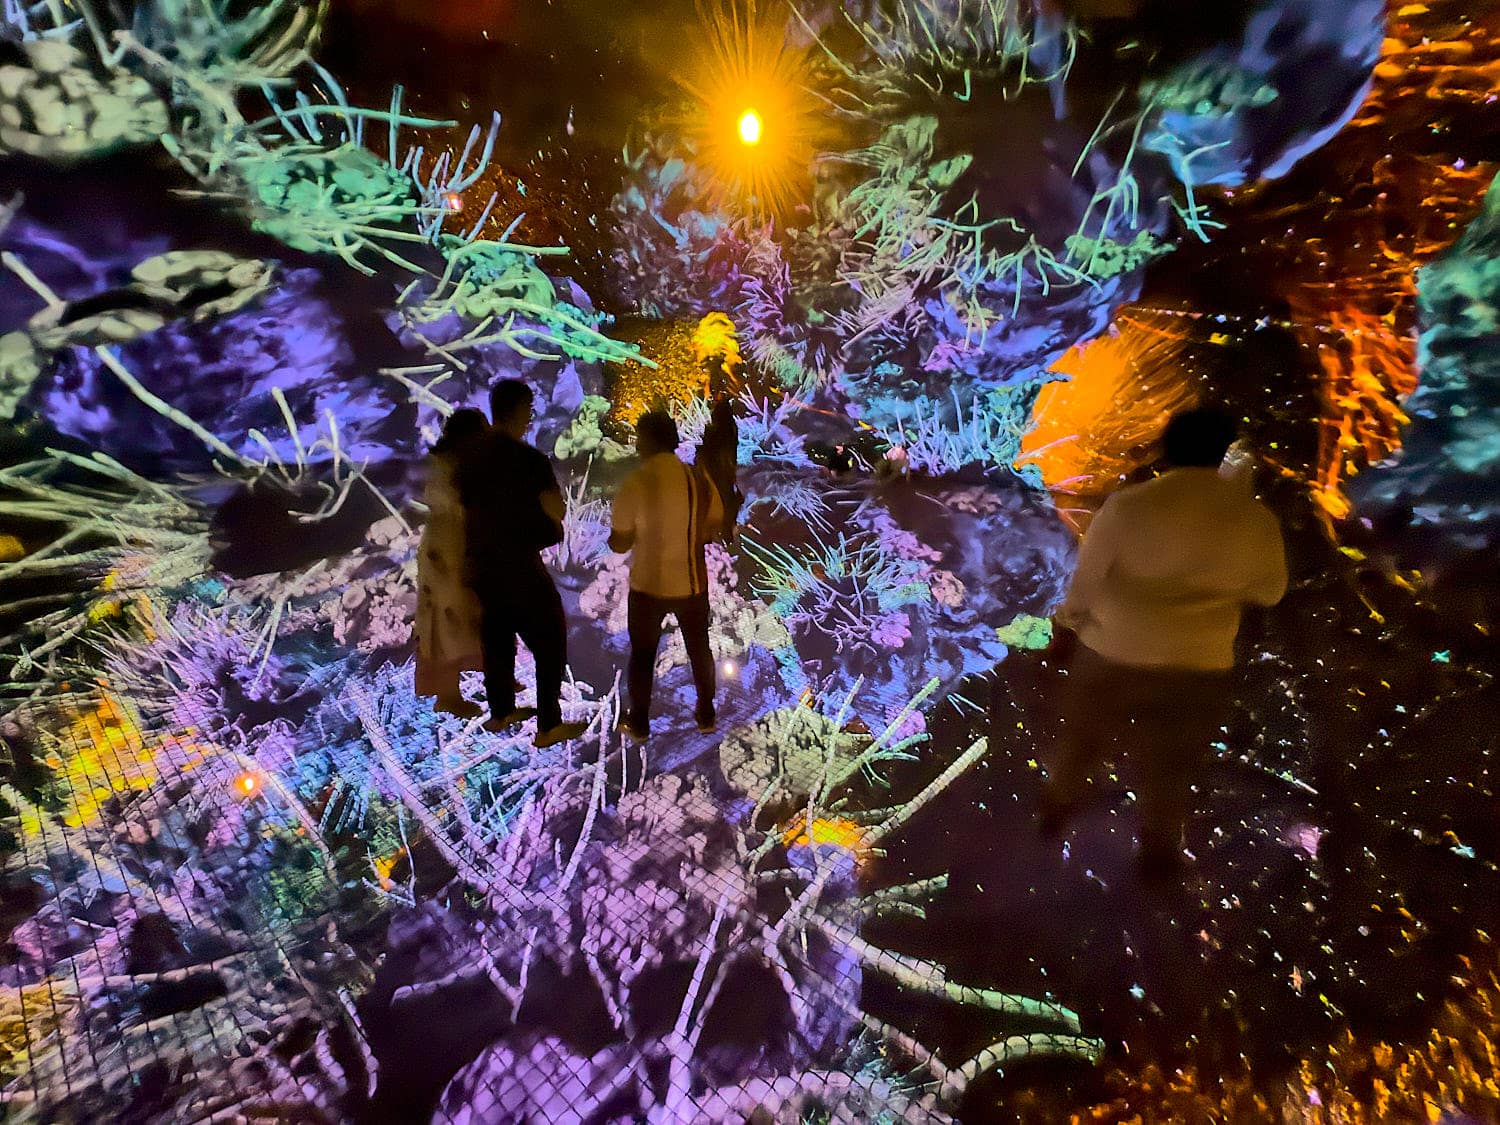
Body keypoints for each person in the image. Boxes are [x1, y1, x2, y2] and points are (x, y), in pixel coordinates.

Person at [1040, 407, 1288, 877]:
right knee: (1171, 763)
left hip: (1113, 649)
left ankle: (1057, 807)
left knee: (1084, 739)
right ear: (1221, 451)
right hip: (1199, 662)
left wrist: (1069, 625)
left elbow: (1084, 585)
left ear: (1167, 450)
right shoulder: (1255, 519)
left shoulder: (1130, 507)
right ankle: (1158, 849)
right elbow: (1270, 591)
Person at [456, 379, 586, 747]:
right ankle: (548, 725)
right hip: (519, 563)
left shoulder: (470, 460)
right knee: (549, 637)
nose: (530, 417)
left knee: (497, 635)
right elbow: (556, 509)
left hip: (481, 564)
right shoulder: (529, 460)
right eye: (528, 409)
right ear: (519, 411)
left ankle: (501, 712)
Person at [609, 410, 724, 741]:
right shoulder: (697, 478)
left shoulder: (636, 482)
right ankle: (706, 714)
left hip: (648, 586)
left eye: (639, 437)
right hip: (692, 582)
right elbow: (715, 520)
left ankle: (639, 723)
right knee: (699, 648)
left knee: (643, 655)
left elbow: (619, 543)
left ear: (646, 441)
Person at [414, 409, 487, 717]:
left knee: (455, 618)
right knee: (444, 621)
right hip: (446, 550)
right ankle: (447, 694)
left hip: (450, 546)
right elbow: (451, 505)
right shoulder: (444, 467)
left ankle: (457, 687)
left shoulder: (449, 464)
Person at [698, 395, 742, 546]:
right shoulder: (731, 431)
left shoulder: (717, 433)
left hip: (716, 472)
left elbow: (708, 453)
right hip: (724, 474)